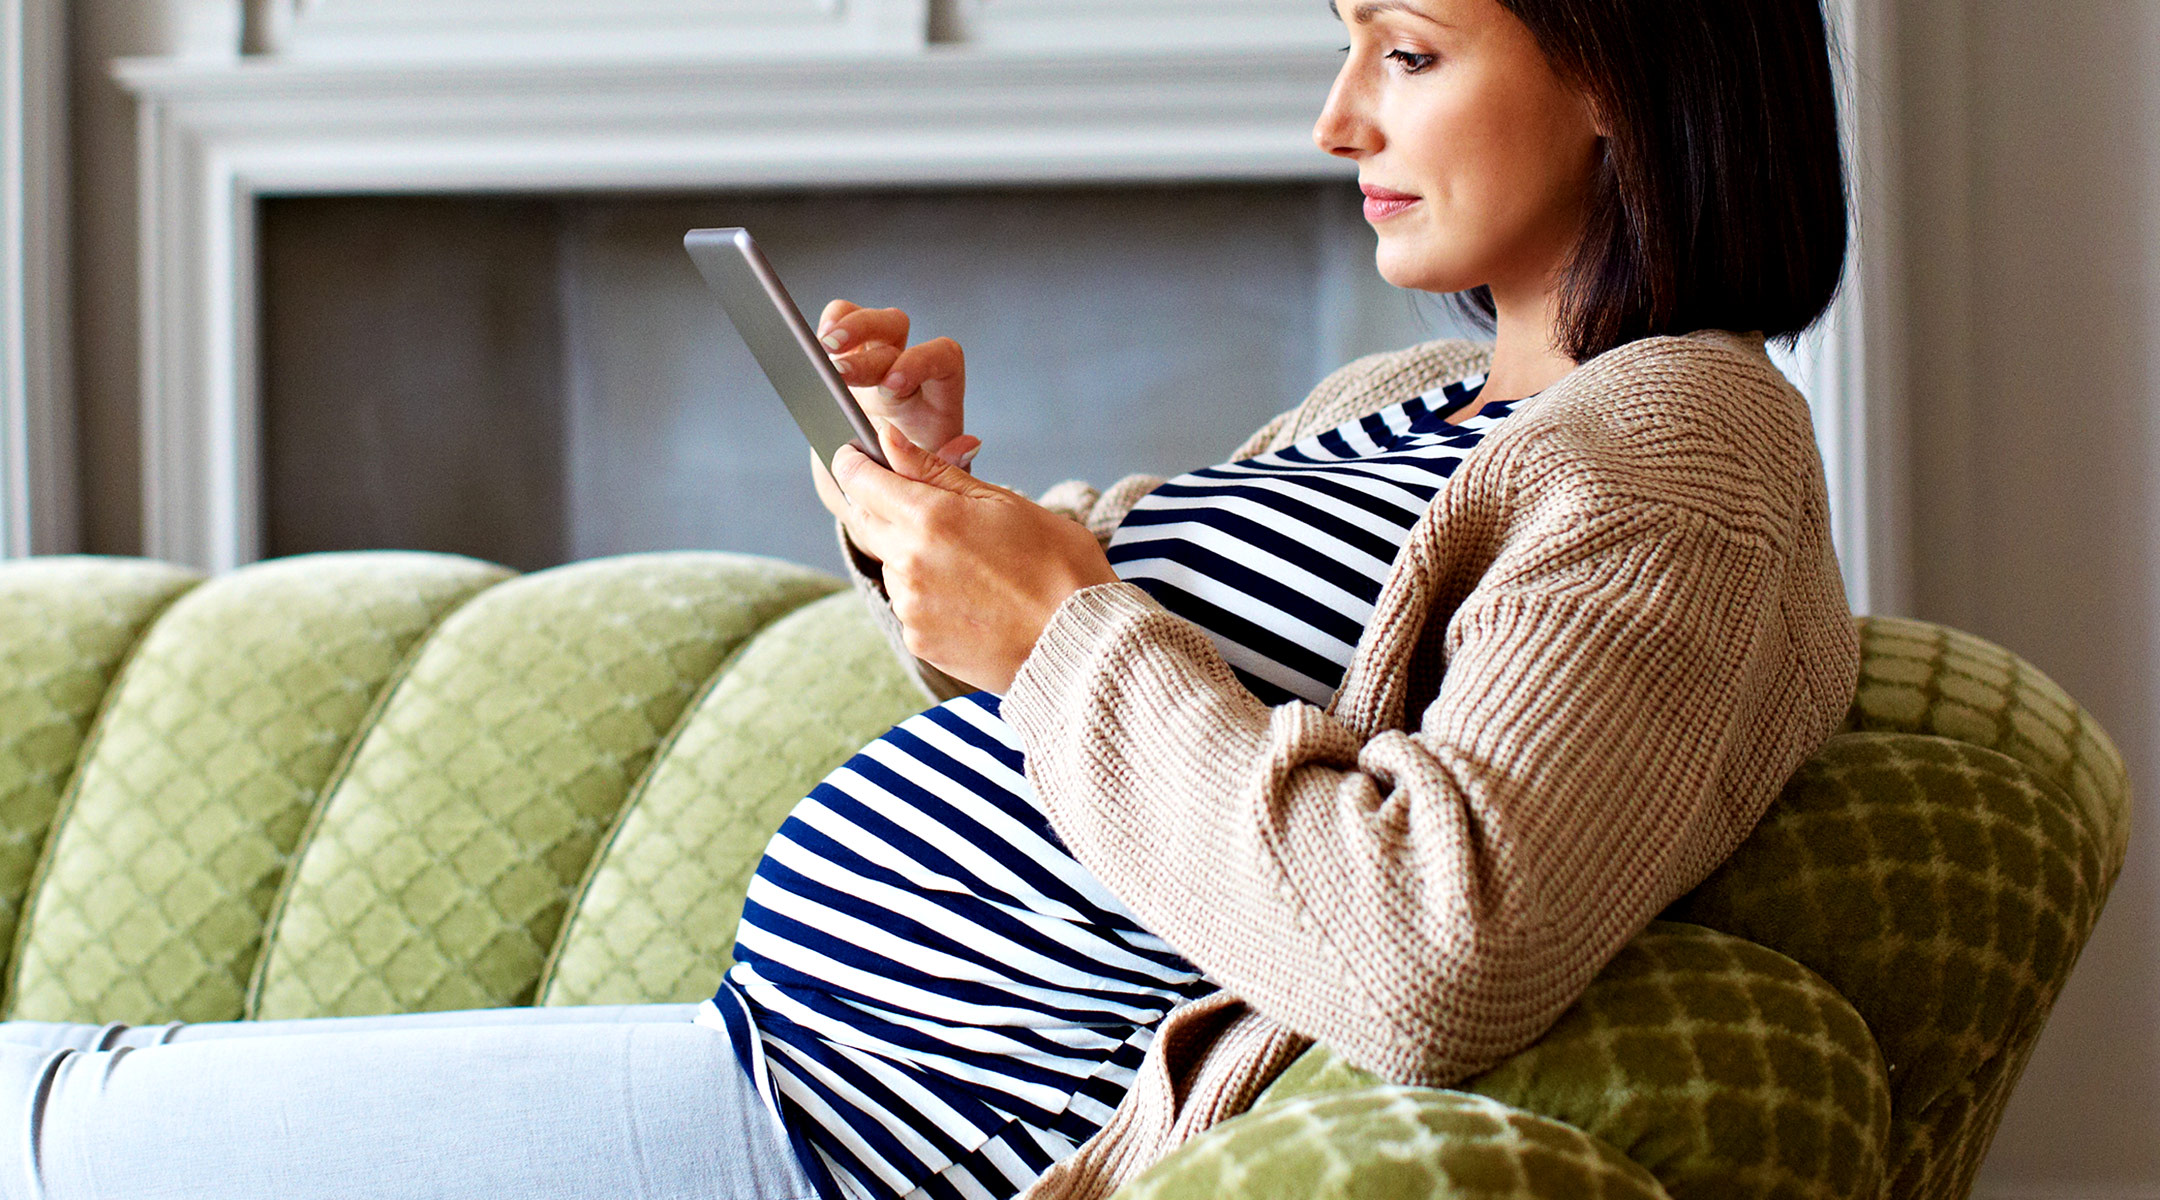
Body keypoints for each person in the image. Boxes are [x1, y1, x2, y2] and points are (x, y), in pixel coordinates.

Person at [0, 1, 1858, 1198]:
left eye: (1409, 52)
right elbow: (1140, 691)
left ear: (1622, 67)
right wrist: (947, 523)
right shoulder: (1403, 407)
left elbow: (1445, 943)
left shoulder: (1687, 443)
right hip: (794, 1071)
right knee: (62, 1088)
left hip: (879, 1145)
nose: (1332, 117)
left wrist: (1054, 625)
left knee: (57, 1134)